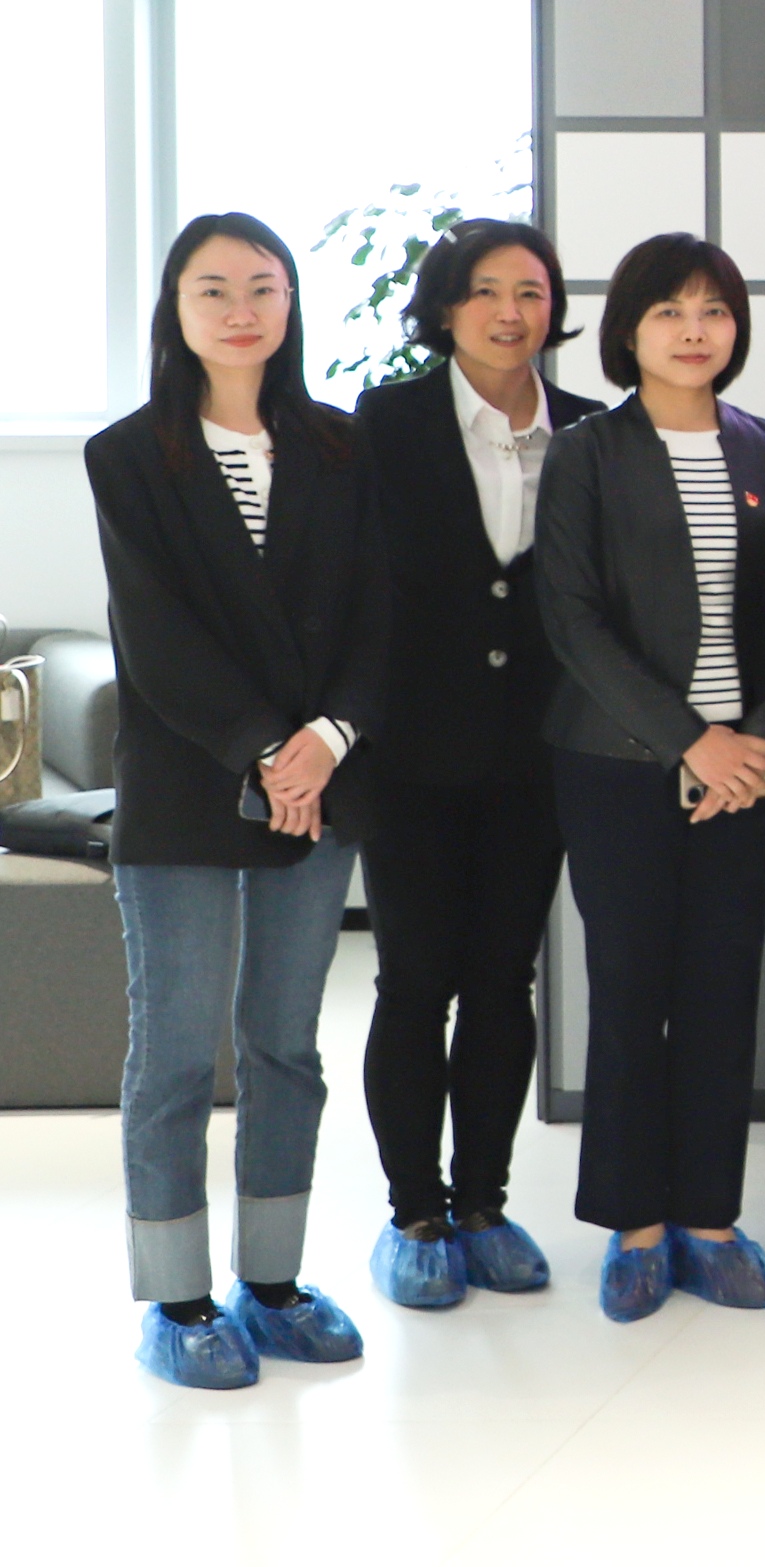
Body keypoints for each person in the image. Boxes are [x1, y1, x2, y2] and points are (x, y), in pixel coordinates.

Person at [88, 213, 387, 1389]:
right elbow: (154, 635)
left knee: (285, 1045)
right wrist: (269, 750)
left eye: (263, 285)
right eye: (211, 288)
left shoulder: (342, 446)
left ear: (291, 302)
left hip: (322, 779)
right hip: (188, 785)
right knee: (173, 1053)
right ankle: (177, 1298)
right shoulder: (128, 454)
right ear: (175, 308)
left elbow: (379, 615)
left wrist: (326, 740)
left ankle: (273, 1282)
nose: (240, 309)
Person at [535, 233, 765, 1323]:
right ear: (629, 331)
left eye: (713, 310)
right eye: (668, 311)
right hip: (619, 762)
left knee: (720, 986)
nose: (693, 330)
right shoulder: (587, 451)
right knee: (630, 986)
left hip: (745, 765)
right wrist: (688, 739)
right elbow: (572, 617)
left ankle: (709, 1215)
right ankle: (635, 1225)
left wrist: (756, 737)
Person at [351, 219, 599, 1311]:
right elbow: (353, 585)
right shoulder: (384, 422)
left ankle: (484, 1203)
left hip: (537, 753)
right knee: (414, 979)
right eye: (486, 290)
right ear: (445, 306)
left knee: (505, 978)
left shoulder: (589, 431)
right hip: (409, 751)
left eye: (531, 291)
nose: (511, 311)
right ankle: (415, 1212)